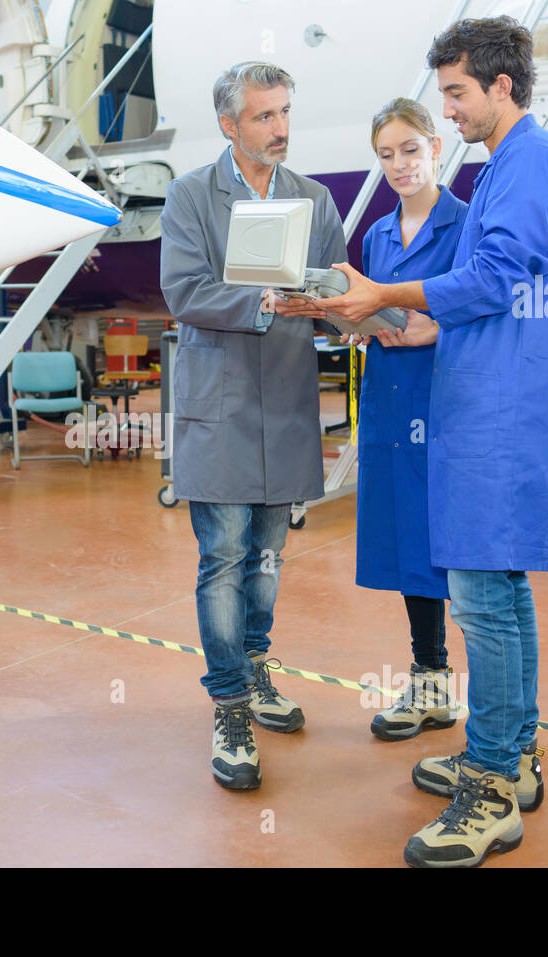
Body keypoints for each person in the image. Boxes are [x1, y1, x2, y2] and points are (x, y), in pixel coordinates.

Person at [312, 17, 548, 866]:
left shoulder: (531, 161)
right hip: (489, 403)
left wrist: (381, 293)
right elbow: (486, 293)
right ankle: (514, 756)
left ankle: (491, 791)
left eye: (458, 93)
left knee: (483, 598)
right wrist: (377, 314)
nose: (450, 109)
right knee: (499, 594)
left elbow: (497, 277)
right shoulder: (510, 165)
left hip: (499, 418)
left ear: (502, 87)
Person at [159, 61, 346, 791]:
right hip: (222, 405)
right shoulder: (190, 197)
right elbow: (185, 291)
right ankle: (230, 704)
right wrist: (268, 302)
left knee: (267, 557)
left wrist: (367, 314)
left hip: (287, 405)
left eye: (285, 113)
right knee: (223, 556)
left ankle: (257, 668)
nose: (280, 129)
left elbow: (335, 283)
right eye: (265, 116)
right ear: (229, 124)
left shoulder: (314, 197)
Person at [354, 98, 467, 743]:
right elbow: (373, 308)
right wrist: (357, 323)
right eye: (386, 155)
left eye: (409, 151)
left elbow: (485, 309)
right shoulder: (375, 235)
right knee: (406, 542)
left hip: (442, 404)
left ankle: (496, 712)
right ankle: (430, 684)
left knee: (451, 544)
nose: (399, 166)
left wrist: (435, 329)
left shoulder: (467, 225)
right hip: (389, 403)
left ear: (435, 148)